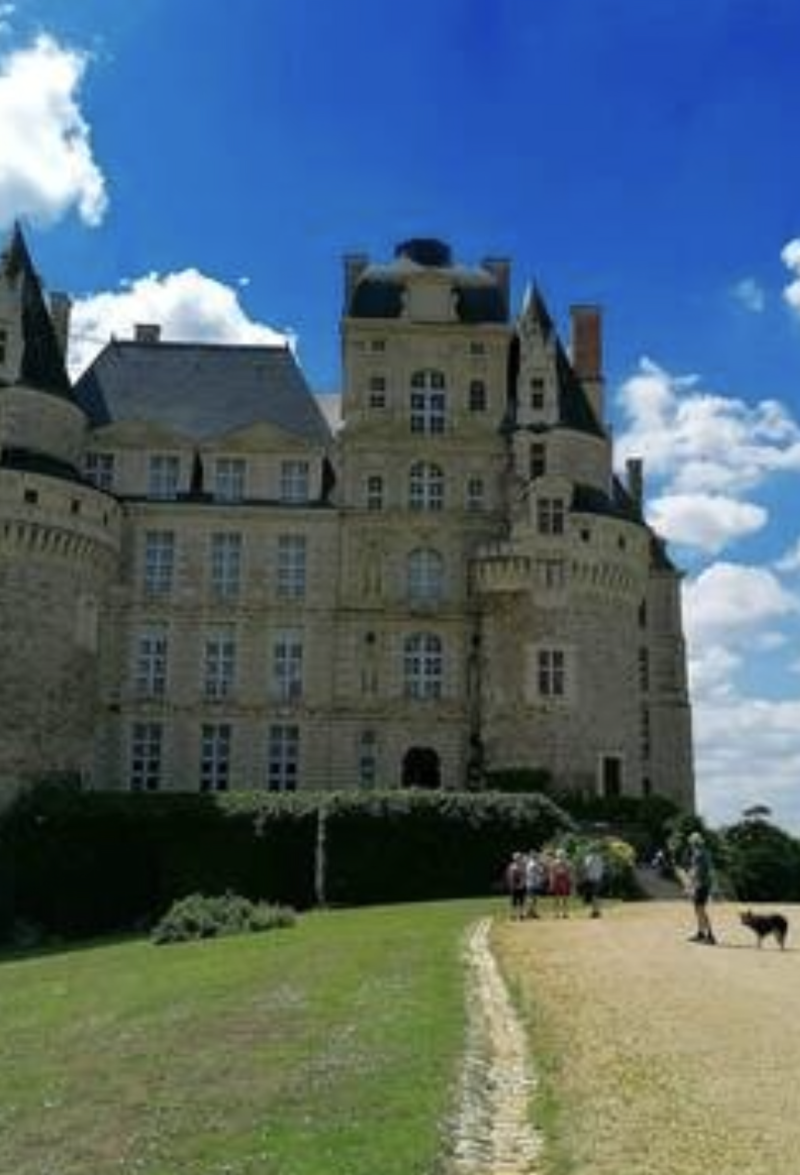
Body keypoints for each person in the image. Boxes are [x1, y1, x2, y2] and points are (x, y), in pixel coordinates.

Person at [684, 831, 716, 945]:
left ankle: (710, 936)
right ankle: (701, 933)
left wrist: (689, 884)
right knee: (698, 909)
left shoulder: (699, 854)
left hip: (701, 885)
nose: (691, 844)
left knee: (700, 910)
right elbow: (708, 870)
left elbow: (696, 871)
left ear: (694, 842)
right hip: (703, 884)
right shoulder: (704, 852)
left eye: (692, 842)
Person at [581, 844, 605, 918]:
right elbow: (602, 869)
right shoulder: (599, 858)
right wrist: (600, 876)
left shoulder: (588, 858)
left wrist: (584, 877)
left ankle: (595, 911)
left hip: (591, 879)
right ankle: (597, 911)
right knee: (596, 895)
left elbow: (586, 868)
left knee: (593, 896)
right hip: (598, 879)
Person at [549, 849, 573, 918]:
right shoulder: (554, 863)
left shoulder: (567, 862)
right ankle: (557, 913)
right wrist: (551, 882)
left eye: (562, 855)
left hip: (564, 880)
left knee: (564, 898)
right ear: (557, 855)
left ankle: (564, 913)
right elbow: (552, 873)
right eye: (560, 855)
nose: (561, 856)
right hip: (558, 880)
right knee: (557, 898)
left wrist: (570, 881)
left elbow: (569, 872)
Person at [524, 849, 547, 919]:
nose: (536, 856)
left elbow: (541, 871)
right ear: (532, 856)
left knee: (534, 899)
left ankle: (532, 912)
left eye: (535, 855)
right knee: (531, 898)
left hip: (534, 883)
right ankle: (528, 912)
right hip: (531, 883)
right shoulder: (532, 863)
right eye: (534, 855)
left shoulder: (533, 863)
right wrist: (542, 866)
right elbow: (539, 871)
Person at [505, 852, 527, 920]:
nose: (518, 859)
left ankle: (521, 914)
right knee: (513, 901)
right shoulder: (512, 866)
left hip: (521, 886)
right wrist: (513, 885)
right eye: (517, 858)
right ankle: (513, 915)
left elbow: (524, 876)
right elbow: (509, 876)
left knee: (521, 901)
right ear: (514, 859)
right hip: (514, 886)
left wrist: (522, 884)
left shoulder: (522, 866)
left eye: (519, 857)